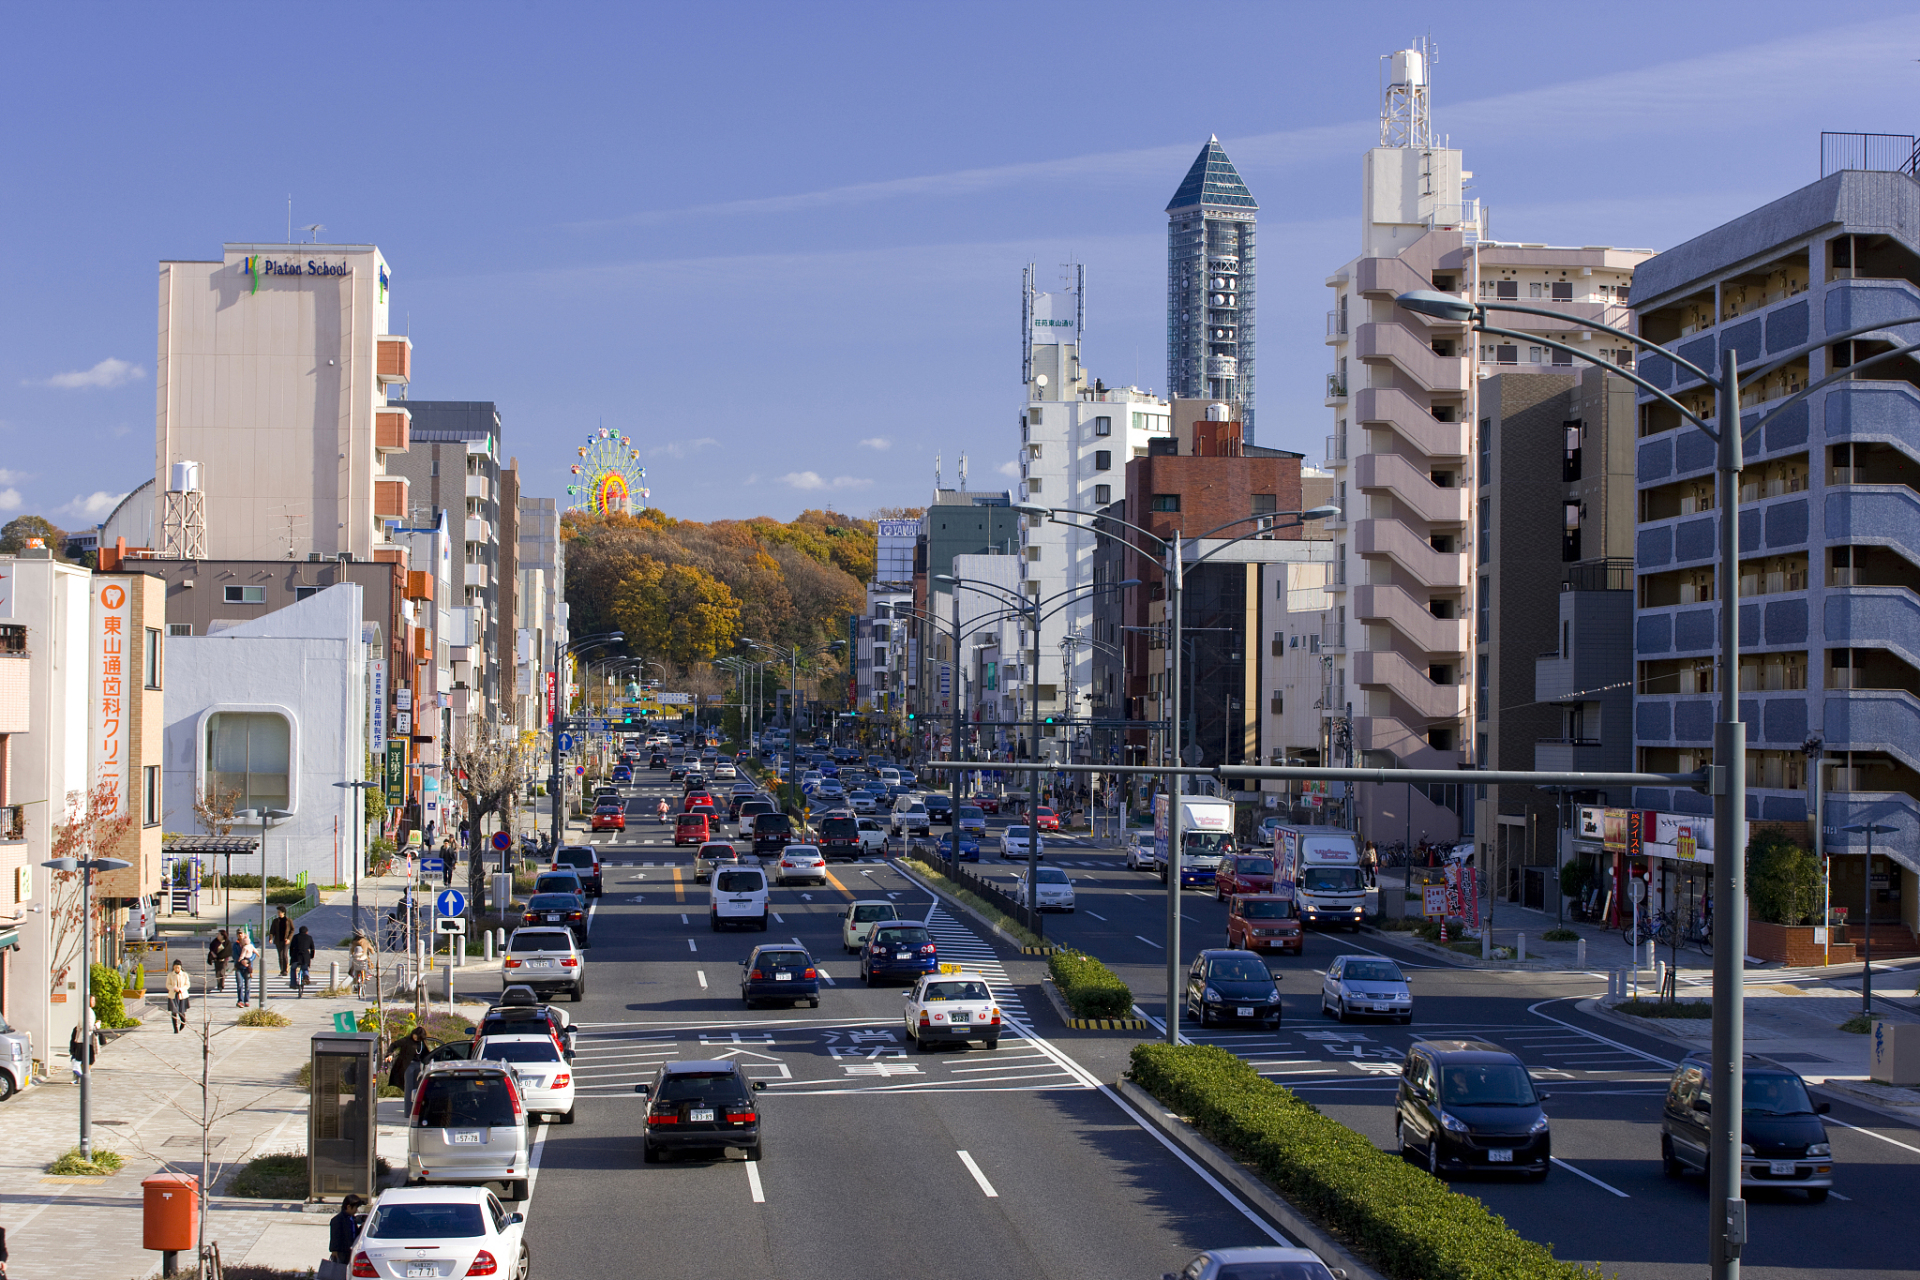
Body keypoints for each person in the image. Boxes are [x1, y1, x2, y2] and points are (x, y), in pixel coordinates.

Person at [386, 1025, 427, 1100]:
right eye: (415, 1035)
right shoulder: (407, 1040)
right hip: (408, 1065)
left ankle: (415, 1107)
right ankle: (408, 1109)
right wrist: (389, 1054)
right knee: (409, 1087)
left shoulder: (422, 1043)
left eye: (417, 1037)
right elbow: (394, 1045)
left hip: (419, 1065)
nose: (415, 1038)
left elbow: (427, 1053)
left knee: (418, 1087)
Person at [328, 1195, 366, 1265]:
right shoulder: (338, 1220)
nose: (356, 1210)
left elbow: (354, 1233)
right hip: (342, 1252)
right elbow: (335, 1236)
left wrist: (361, 1228)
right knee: (340, 1269)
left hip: (350, 1250)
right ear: (348, 1207)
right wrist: (334, 1250)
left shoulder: (352, 1219)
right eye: (355, 1208)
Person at [166, 959, 193, 1032]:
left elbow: (187, 984)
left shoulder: (184, 975)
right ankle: (175, 1028)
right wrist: (173, 988)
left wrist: (181, 989)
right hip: (173, 995)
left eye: (178, 967)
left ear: (181, 967)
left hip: (182, 995)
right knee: (174, 1012)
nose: (177, 969)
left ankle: (183, 1023)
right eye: (175, 967)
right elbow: (168, 984)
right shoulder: (170, 975)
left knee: (182, 1011)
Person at [289, 925, 316, 996]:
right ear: (307, 932)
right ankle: (306, 976)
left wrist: (291, 955)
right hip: (305, 957)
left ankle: (293, 984)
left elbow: (291, 947)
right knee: (305, 968)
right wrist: (311, 956)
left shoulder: (295, 937)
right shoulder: (309, 937)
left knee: (293, 969)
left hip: (296, 956)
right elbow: (312, 948)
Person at [233, 932, 257, 1006]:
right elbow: (234, 954)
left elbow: (254, 954)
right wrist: (241, 961)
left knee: (248, 985)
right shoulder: (236, 945)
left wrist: (248, 960)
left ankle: (247, 1000)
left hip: (248, 967)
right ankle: (240, 1000)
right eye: (238, 934)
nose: (240, 935)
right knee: (239, 984)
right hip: (239, 967)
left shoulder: (250, 944)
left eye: (242, 934)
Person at [269, 906, 293, 976]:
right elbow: (272, 931)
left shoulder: (289, 921)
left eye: (279, 912)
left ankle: (285, 970)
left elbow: (292, 930)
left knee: (284, 955)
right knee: (280, 956)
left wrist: (289, 938)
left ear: (283, 913)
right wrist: (271, 938)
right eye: (278, 912)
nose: (278, 914)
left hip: (286, 941)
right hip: (278, 940)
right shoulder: (275, 921)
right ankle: (282, 970)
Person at [348, 931, 372, 999]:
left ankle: (353, 975)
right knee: (366, 967)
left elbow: (351, 950)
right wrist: (372, 951)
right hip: (364, 958)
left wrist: (353, 954)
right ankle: (367, 975)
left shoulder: (354, 942)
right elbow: (371, 949)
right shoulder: (365, 941)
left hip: (355, 959)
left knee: (353, 967)